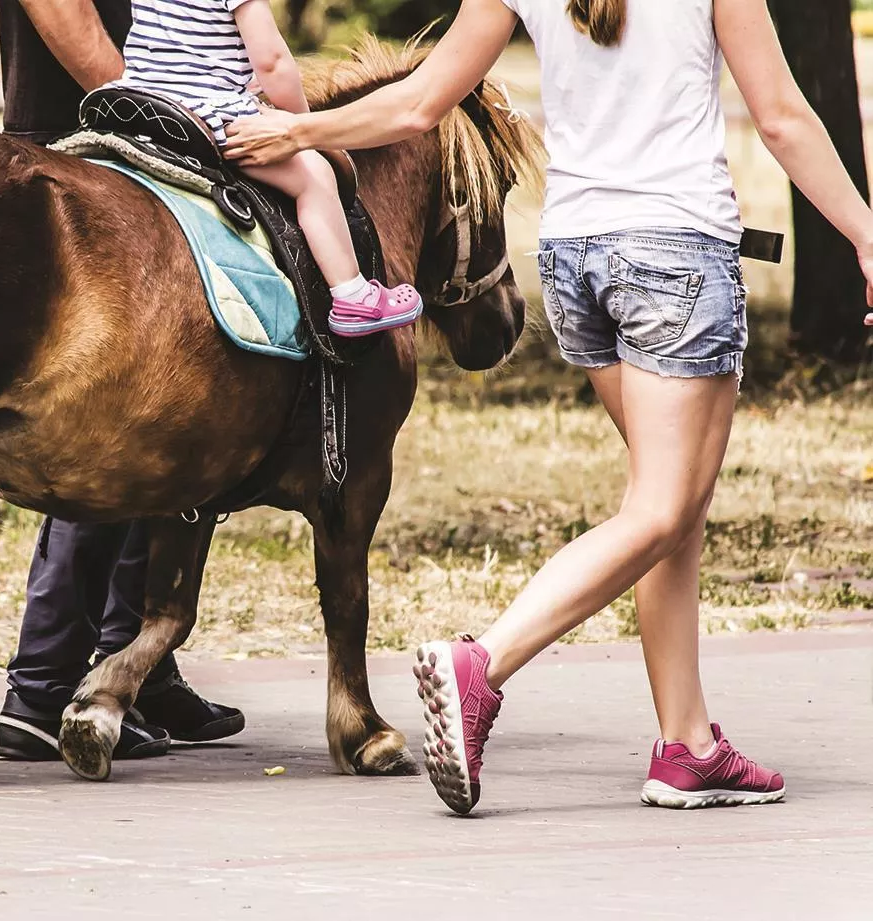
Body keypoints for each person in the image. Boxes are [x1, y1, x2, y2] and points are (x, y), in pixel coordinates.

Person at [225, 0, 873, 812]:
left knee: (668, 511)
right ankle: (481, 665)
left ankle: (688, 745)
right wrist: (865, 234)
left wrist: (301, 131)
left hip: (575, 260)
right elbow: (779, 117)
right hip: (672, 252)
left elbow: (421, 102)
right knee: (663, 509)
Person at [0, 0, 245, 763]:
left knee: (179, 408)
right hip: (92, 144)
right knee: (115, 424)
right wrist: (152, 112)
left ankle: (135, 666)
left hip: (132, 135)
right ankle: (47, 686)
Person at [108, 0, 423, 336]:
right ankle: (352, 295)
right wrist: (303, 125)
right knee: (315, 176)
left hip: (140, 105)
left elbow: (180, 40)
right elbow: (272, 63)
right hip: (206, 116)